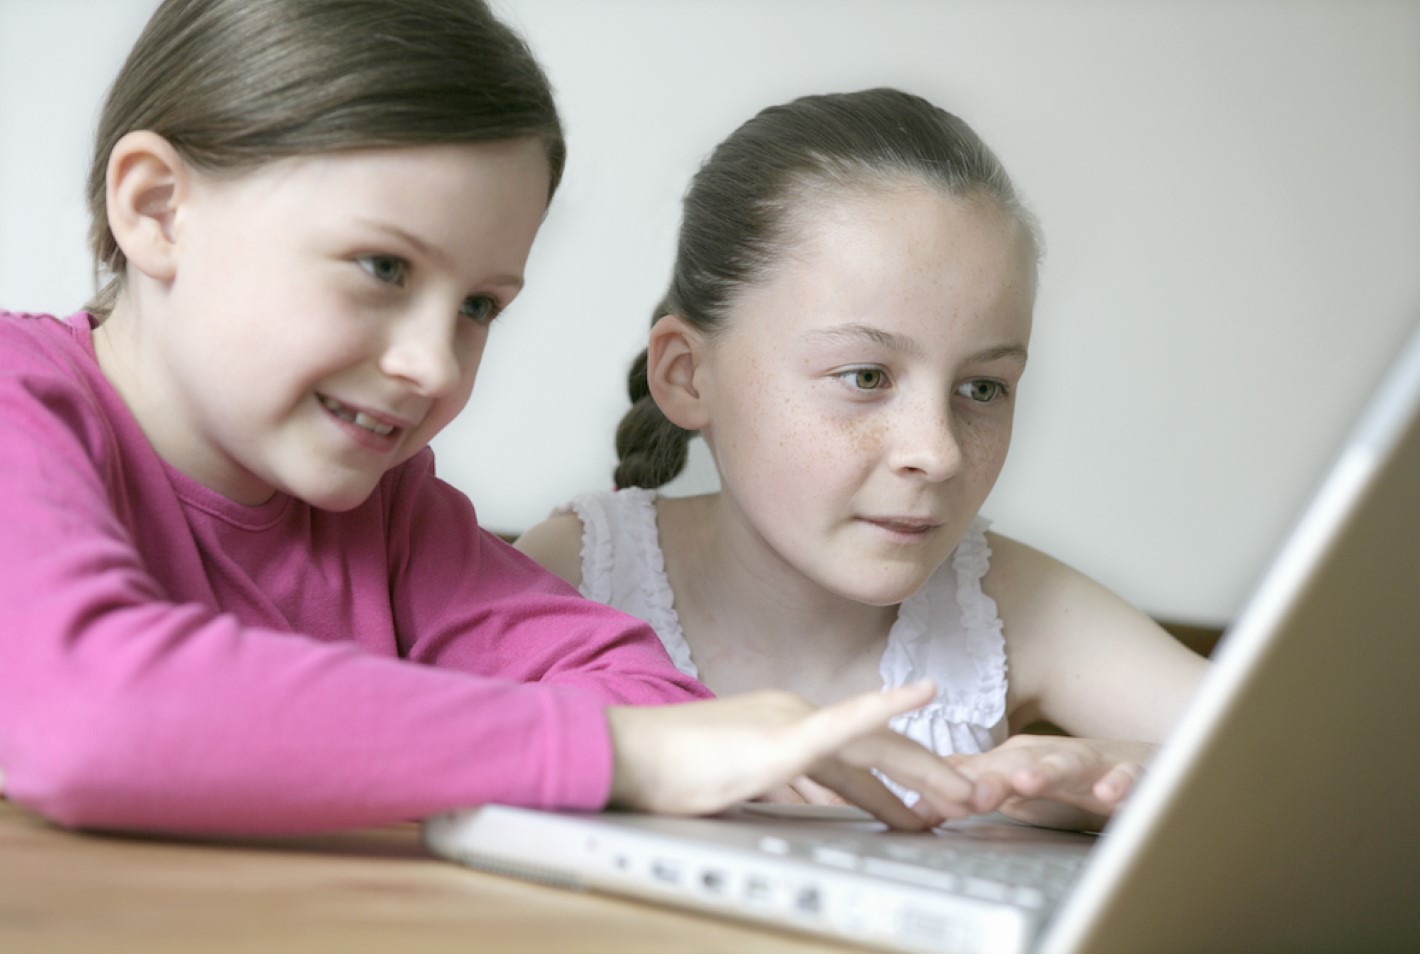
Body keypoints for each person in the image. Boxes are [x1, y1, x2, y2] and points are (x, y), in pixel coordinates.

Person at [0, 1, 983, 837]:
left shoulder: (389, 518)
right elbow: (85, 710)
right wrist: (604, 753)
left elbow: (642, 696)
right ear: (159, 209)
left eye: (478, 307)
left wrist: (645, 745)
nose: (433, 366)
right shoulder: (18, 405)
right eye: (383, 268)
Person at [516, 87, 1211, 831]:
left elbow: (1306, 771)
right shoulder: (576, 574)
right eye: (866, 377)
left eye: (982, 387)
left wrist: (1135, 785)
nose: (938, 453)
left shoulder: (1011, 604)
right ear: (689, 376)